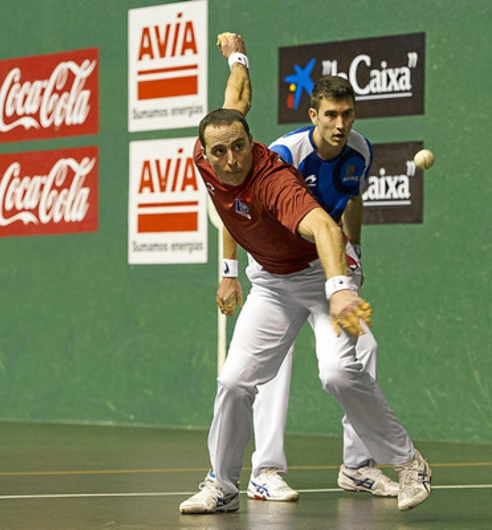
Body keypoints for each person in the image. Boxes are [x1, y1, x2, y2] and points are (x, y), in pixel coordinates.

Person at [178, 33, 431, 515]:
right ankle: (223, 485)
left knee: (338, 371)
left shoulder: (273, 177)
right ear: (204, 152)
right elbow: (236, 98)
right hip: (271, 284)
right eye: (220, 152)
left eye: (240, 148)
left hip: (317, 277)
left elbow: (325, 227)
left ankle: (408, 463)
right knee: (234, 382)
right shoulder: (211, 149)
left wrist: (339, 288)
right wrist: (237, 56)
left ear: (250, 144)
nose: (232, 161)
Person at [246, 76, 398, 501]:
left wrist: (355, 251)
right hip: (277, 271)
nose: (340, 124)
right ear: (313, 115)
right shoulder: (285, 154)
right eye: (331, 114)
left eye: (347, 114)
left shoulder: (360, 151)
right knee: (273, 365)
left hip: (322, 269)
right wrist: (227, 271)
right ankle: (265, 470)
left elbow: (352, 198)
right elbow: (246, 211)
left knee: (362, 349)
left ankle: (358, 465)